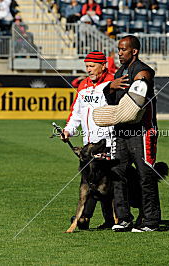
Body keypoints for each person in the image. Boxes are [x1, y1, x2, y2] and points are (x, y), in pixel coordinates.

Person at [103, 35, 160, 232]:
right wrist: (111, 86)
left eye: (123, 49)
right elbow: (112, 101)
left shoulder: (141, 68)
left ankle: (150, 221)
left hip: (142, 131)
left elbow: (144, 78)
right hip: (121, 131)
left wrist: (139, 81)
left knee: (145, 174)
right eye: (118, 49)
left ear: (134, 51)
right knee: (118, 172)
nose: (119, 53)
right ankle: (124, 218)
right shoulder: (119, 72)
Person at [62, 51, 115, 229]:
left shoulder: (113, 82)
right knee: (91, 181)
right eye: (86, 66)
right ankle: (88, 218)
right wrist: (68, 130)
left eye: (92, 66)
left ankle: (93, 218)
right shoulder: (83, 85)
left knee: (103, 183)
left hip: (107, 142)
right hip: (89, 144)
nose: (88, 70)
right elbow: (76, 113)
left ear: (103, 65)